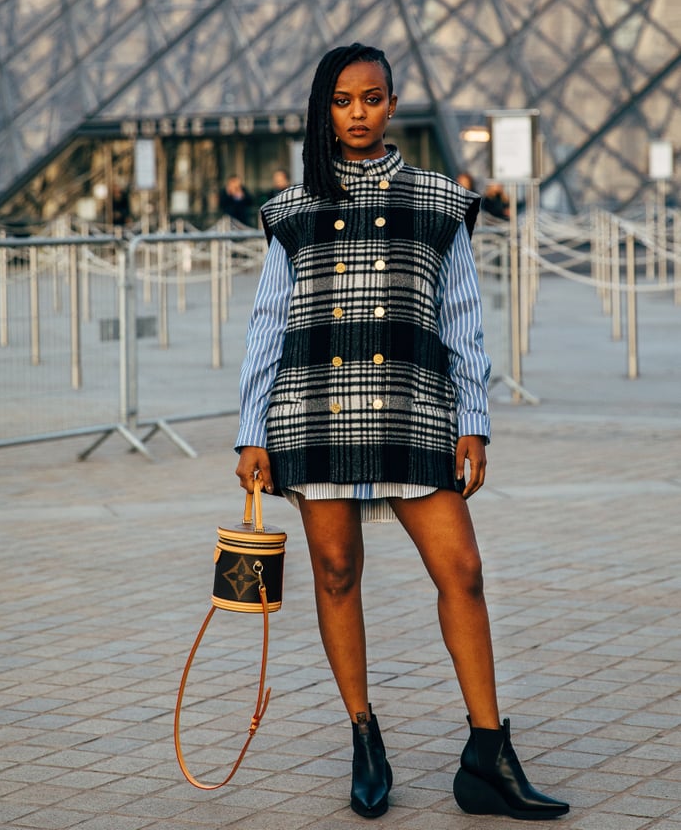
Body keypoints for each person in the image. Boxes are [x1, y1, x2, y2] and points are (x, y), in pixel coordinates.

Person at [234, 44, 569, 821]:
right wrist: (253, 432)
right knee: (336, 573)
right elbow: (266, 328)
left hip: (411, 409)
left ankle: (486, 752)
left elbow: (462, 319)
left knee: (463, 571)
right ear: (325, 109)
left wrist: (474, 423)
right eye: (343, 101)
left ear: (392, 103)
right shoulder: (289, 210)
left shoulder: (439, 201)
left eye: (373, 98)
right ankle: (364, 736)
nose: (358, 113)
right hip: (313, 412)